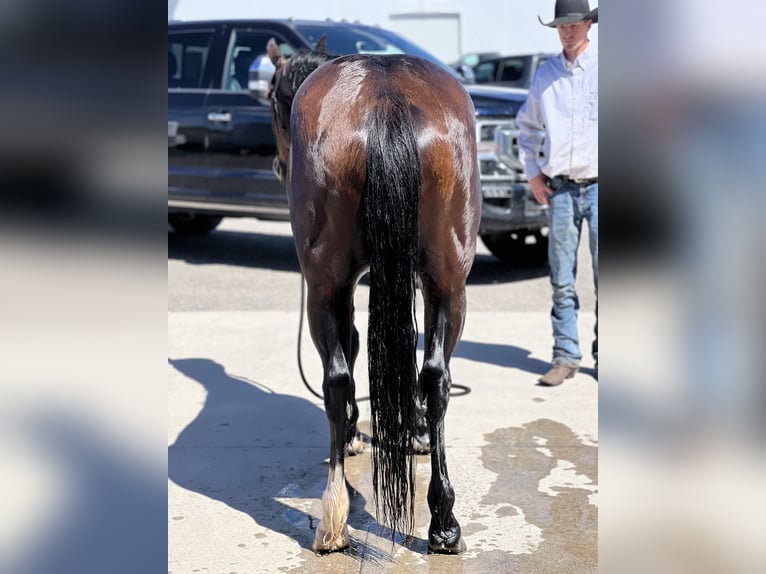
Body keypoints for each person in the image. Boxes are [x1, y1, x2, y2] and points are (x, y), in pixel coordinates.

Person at [516, 0, 598, 386]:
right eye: (560, 26)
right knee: (561, 278)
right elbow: (527, 127)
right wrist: (533, 175)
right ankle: (565, 355)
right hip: (561, 189)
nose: (566, 32)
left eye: (572, 24)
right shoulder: (546, 75)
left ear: (588, 24)